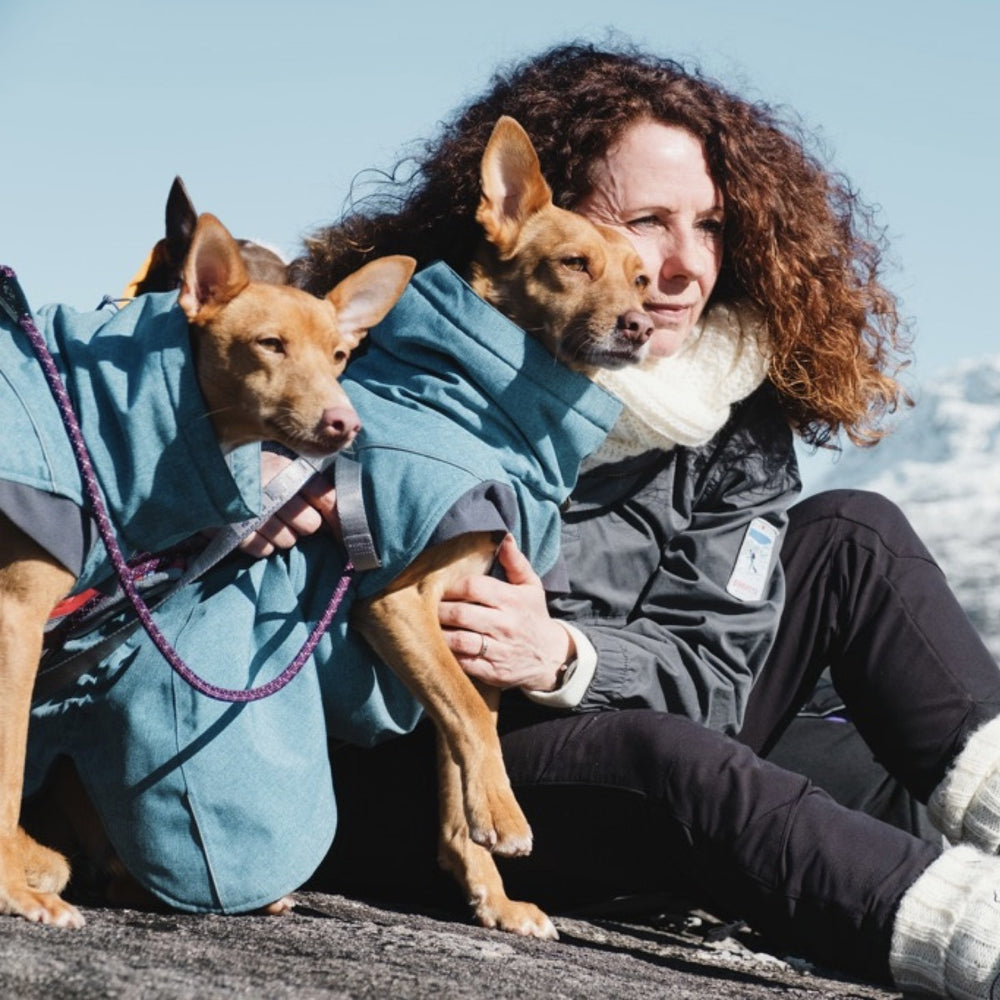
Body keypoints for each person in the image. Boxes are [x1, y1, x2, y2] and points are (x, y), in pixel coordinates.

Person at [21, 41, 1000, 999]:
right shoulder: (384, 364)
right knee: (680, 765)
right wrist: (258, 471)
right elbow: (222, 402)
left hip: (595, 696)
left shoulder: (730, 416)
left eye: (705, 225)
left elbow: (716, 669)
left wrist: (568, 657)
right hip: (417, 749)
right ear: (528, 213)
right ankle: (977, 942)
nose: (677, 264)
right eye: (644, 220)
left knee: (855, 533)